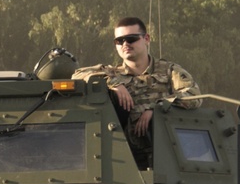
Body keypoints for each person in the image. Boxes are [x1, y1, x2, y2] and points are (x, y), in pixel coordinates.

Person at [72, 17, 201, 168]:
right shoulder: (112, 73)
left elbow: (194, 96)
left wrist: (157, 107)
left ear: (146, 39)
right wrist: (113, 83)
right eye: (119, 41)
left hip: (167, 154)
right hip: (124, 157)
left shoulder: (169, 71)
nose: (125, 44)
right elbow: (77, 75)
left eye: (131, 39)